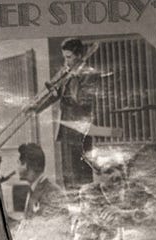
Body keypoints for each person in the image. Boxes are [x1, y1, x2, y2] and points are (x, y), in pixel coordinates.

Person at [52, 38, 98, 189]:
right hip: (66, 128)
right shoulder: (66, 71)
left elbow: (83, 101)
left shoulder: (89, 74)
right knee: (68, 174)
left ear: (78, 55)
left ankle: (84, 210)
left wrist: (75, 79)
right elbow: (54, 92)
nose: (66, 61)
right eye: (65, 57)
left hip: (80, 131)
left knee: (81, 175)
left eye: (69, 57)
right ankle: (72, 208)